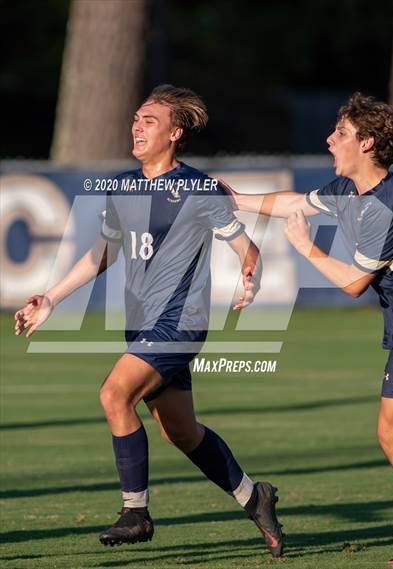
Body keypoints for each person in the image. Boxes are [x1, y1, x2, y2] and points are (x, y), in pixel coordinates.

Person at [14, 85, 284, 558]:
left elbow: (246, 247)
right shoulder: (121, 186)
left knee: (113, 393)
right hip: (140, 324)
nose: (137, 126)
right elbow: (104, 251)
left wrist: (249, 274)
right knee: (180, 431)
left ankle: (134, 512)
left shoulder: (197, 189)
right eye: (136, 118)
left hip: (179, 322)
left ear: (175, 133)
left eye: (150, 121)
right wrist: (52, 297)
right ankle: (252, 496)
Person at [223, 92, 393, 564]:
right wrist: (233, 198)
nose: (330, 140)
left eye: (341, 134)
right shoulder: (352, 191)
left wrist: (304, 248)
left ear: (368, 143)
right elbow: (294, 201)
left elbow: (353, 283)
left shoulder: (385, 205)